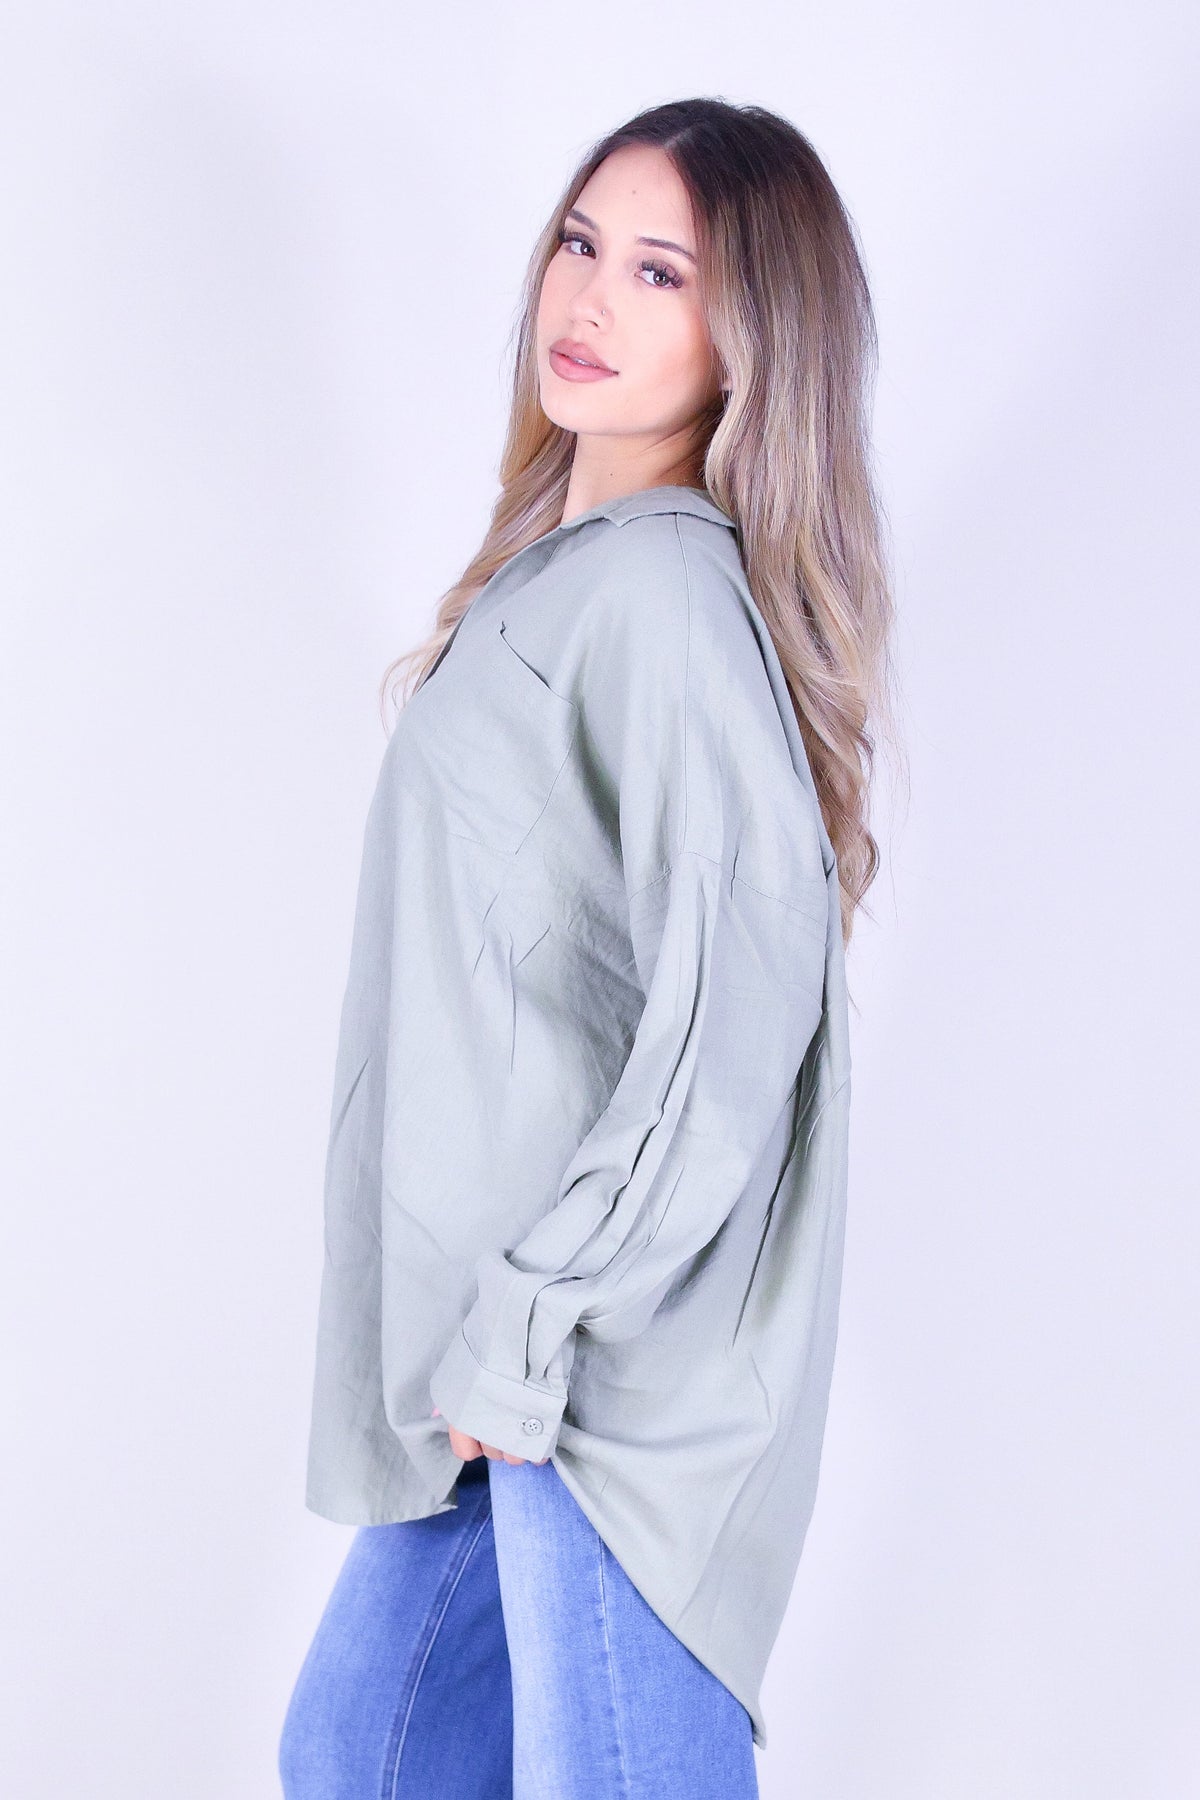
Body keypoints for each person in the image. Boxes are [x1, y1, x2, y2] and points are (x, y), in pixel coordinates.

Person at [279, 95, 895, 1800]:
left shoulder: (666, 600)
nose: (592, 297)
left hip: (599, 1370)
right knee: (365, 1750)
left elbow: (734, 1019)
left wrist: (537, 1312)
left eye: (659, 272)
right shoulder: (570, 578)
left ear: (752, 338)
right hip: (510, 1346)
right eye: (579, 242)